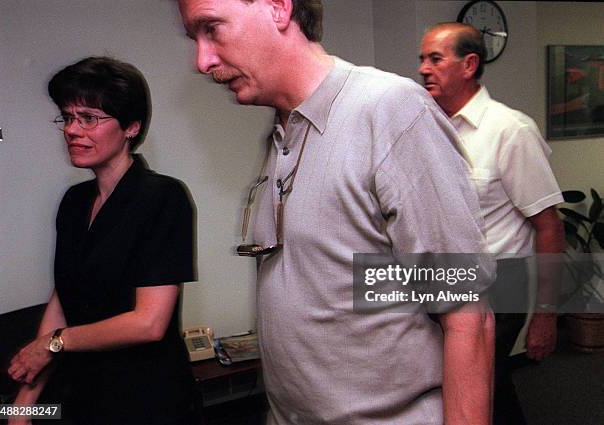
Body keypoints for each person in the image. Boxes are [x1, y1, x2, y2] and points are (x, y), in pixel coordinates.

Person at [178, 1, 494, 424]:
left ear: (277, 8)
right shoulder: (282, 131)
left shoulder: (390, 110)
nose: (203, 61)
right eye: (194, 38)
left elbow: (467, 316)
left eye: (211, 29)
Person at [7, 56, 196, 425]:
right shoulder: (74, 203)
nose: (72, 130)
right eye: (67, 117)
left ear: (131, 126)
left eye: (89, 118)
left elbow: (149, 323)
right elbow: (65, 295)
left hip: (146, 402)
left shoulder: (163, 197)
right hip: (81, 394)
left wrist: (53, 343)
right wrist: (23, 405)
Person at [419, 23, 566, 425]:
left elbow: (550, 227)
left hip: (500, 284)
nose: (424, 69)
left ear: (469, 65)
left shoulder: (510, 130)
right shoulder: (426, 127)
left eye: (435, 58)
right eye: (422, 59)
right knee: (467, 392)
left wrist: (546, 315)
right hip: (443, 279)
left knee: (479, 390)